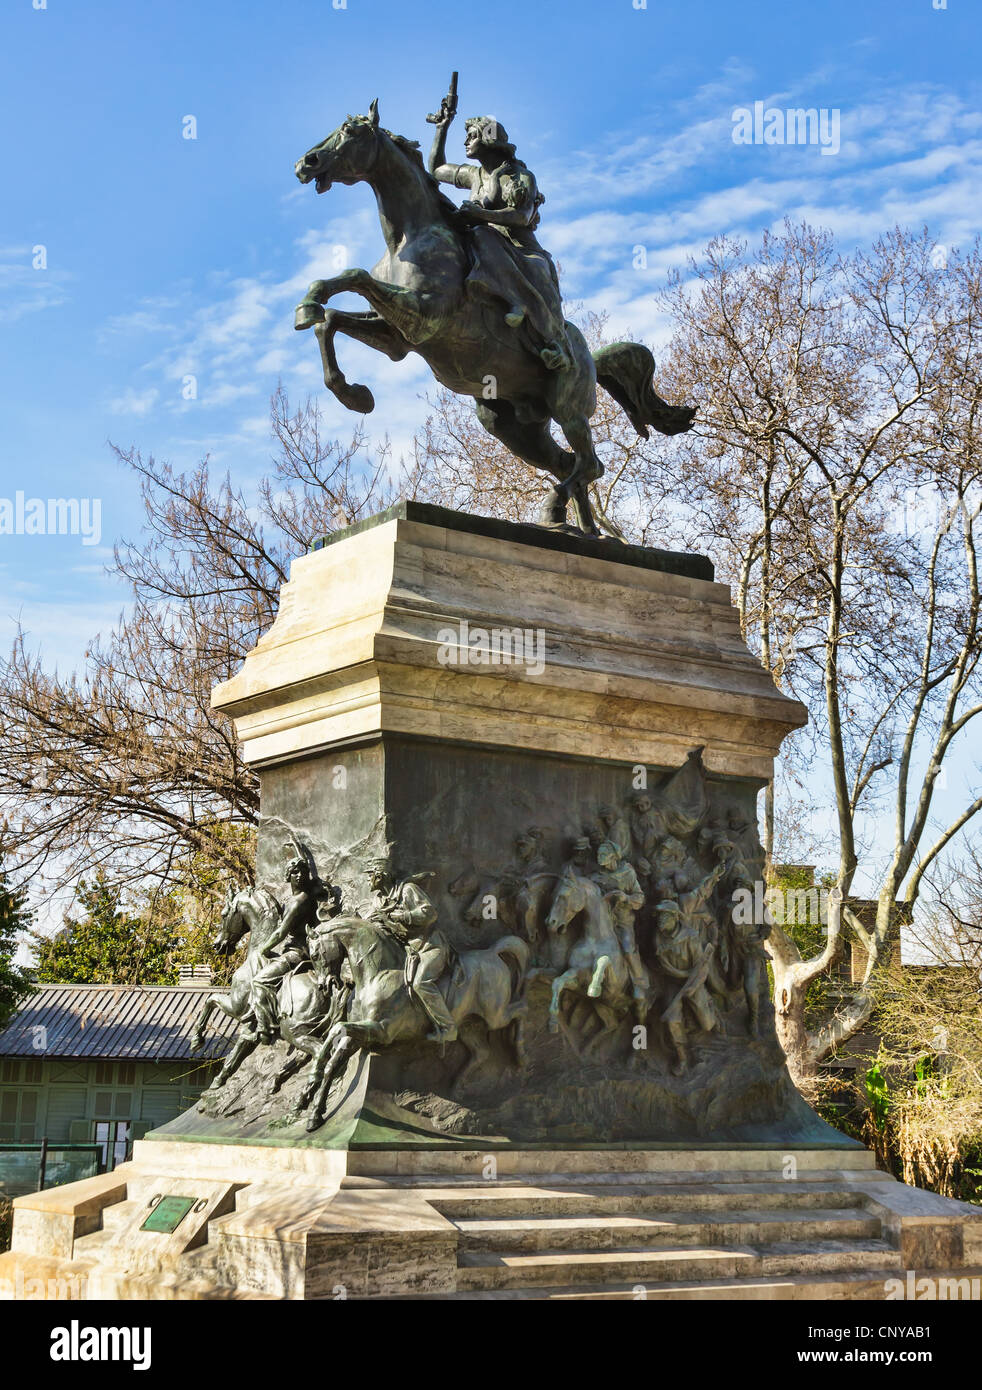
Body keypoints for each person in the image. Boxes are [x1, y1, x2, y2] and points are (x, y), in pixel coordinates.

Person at [428, 107, 573, 372]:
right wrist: (442, 127)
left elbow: (521, 215)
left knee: (488, 237)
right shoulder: (474, 175)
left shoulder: (521, 177)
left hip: (522, 251)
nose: (465, 142)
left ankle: (556, 345)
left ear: (488, 139)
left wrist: (480, 214)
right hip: (481, 244)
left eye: (471, 136)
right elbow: (436, 169)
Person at [363, 857, 457, 1044]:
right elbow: (369, 924)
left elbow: (430, 913)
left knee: (420, 982)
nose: (368, 880)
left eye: (370, 875)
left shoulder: (407, 890)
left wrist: (405, 915)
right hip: (408, 951)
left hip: (430, 946)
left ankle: (449, 1028)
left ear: (381, 875)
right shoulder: (379, 901)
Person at [592, 839, 648, 1024]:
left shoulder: (627, 873)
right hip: (603, 922)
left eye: (603, 855)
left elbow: (640, 898)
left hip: (623, 921)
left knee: (627, 947)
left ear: (613, 857)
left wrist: (625, 898)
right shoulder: (596, 877)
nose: (600, 859)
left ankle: (639, 984)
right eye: (599, 855)